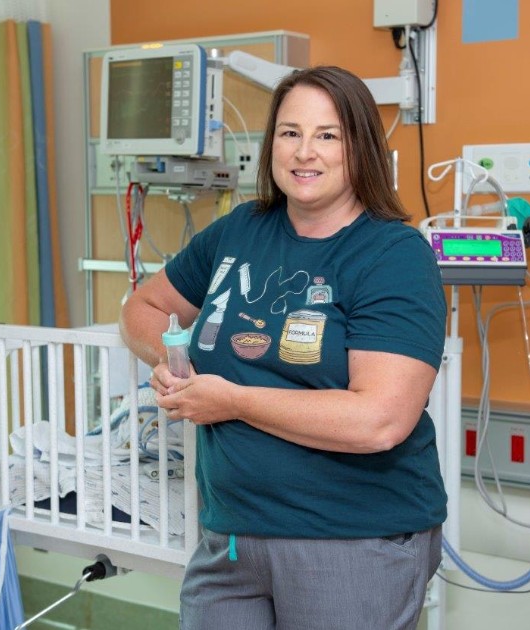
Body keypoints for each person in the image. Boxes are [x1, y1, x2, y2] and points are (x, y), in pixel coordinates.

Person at [120, 65, 448, 630]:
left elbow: (381, 420)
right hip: (230, 541)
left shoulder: (393, 255)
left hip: (351, 541)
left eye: (328, 135)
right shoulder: (239, 231)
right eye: (290, 132)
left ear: (360, 148)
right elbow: (142, 307)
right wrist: (175, 363)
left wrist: (234, 401)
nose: (305, 152)